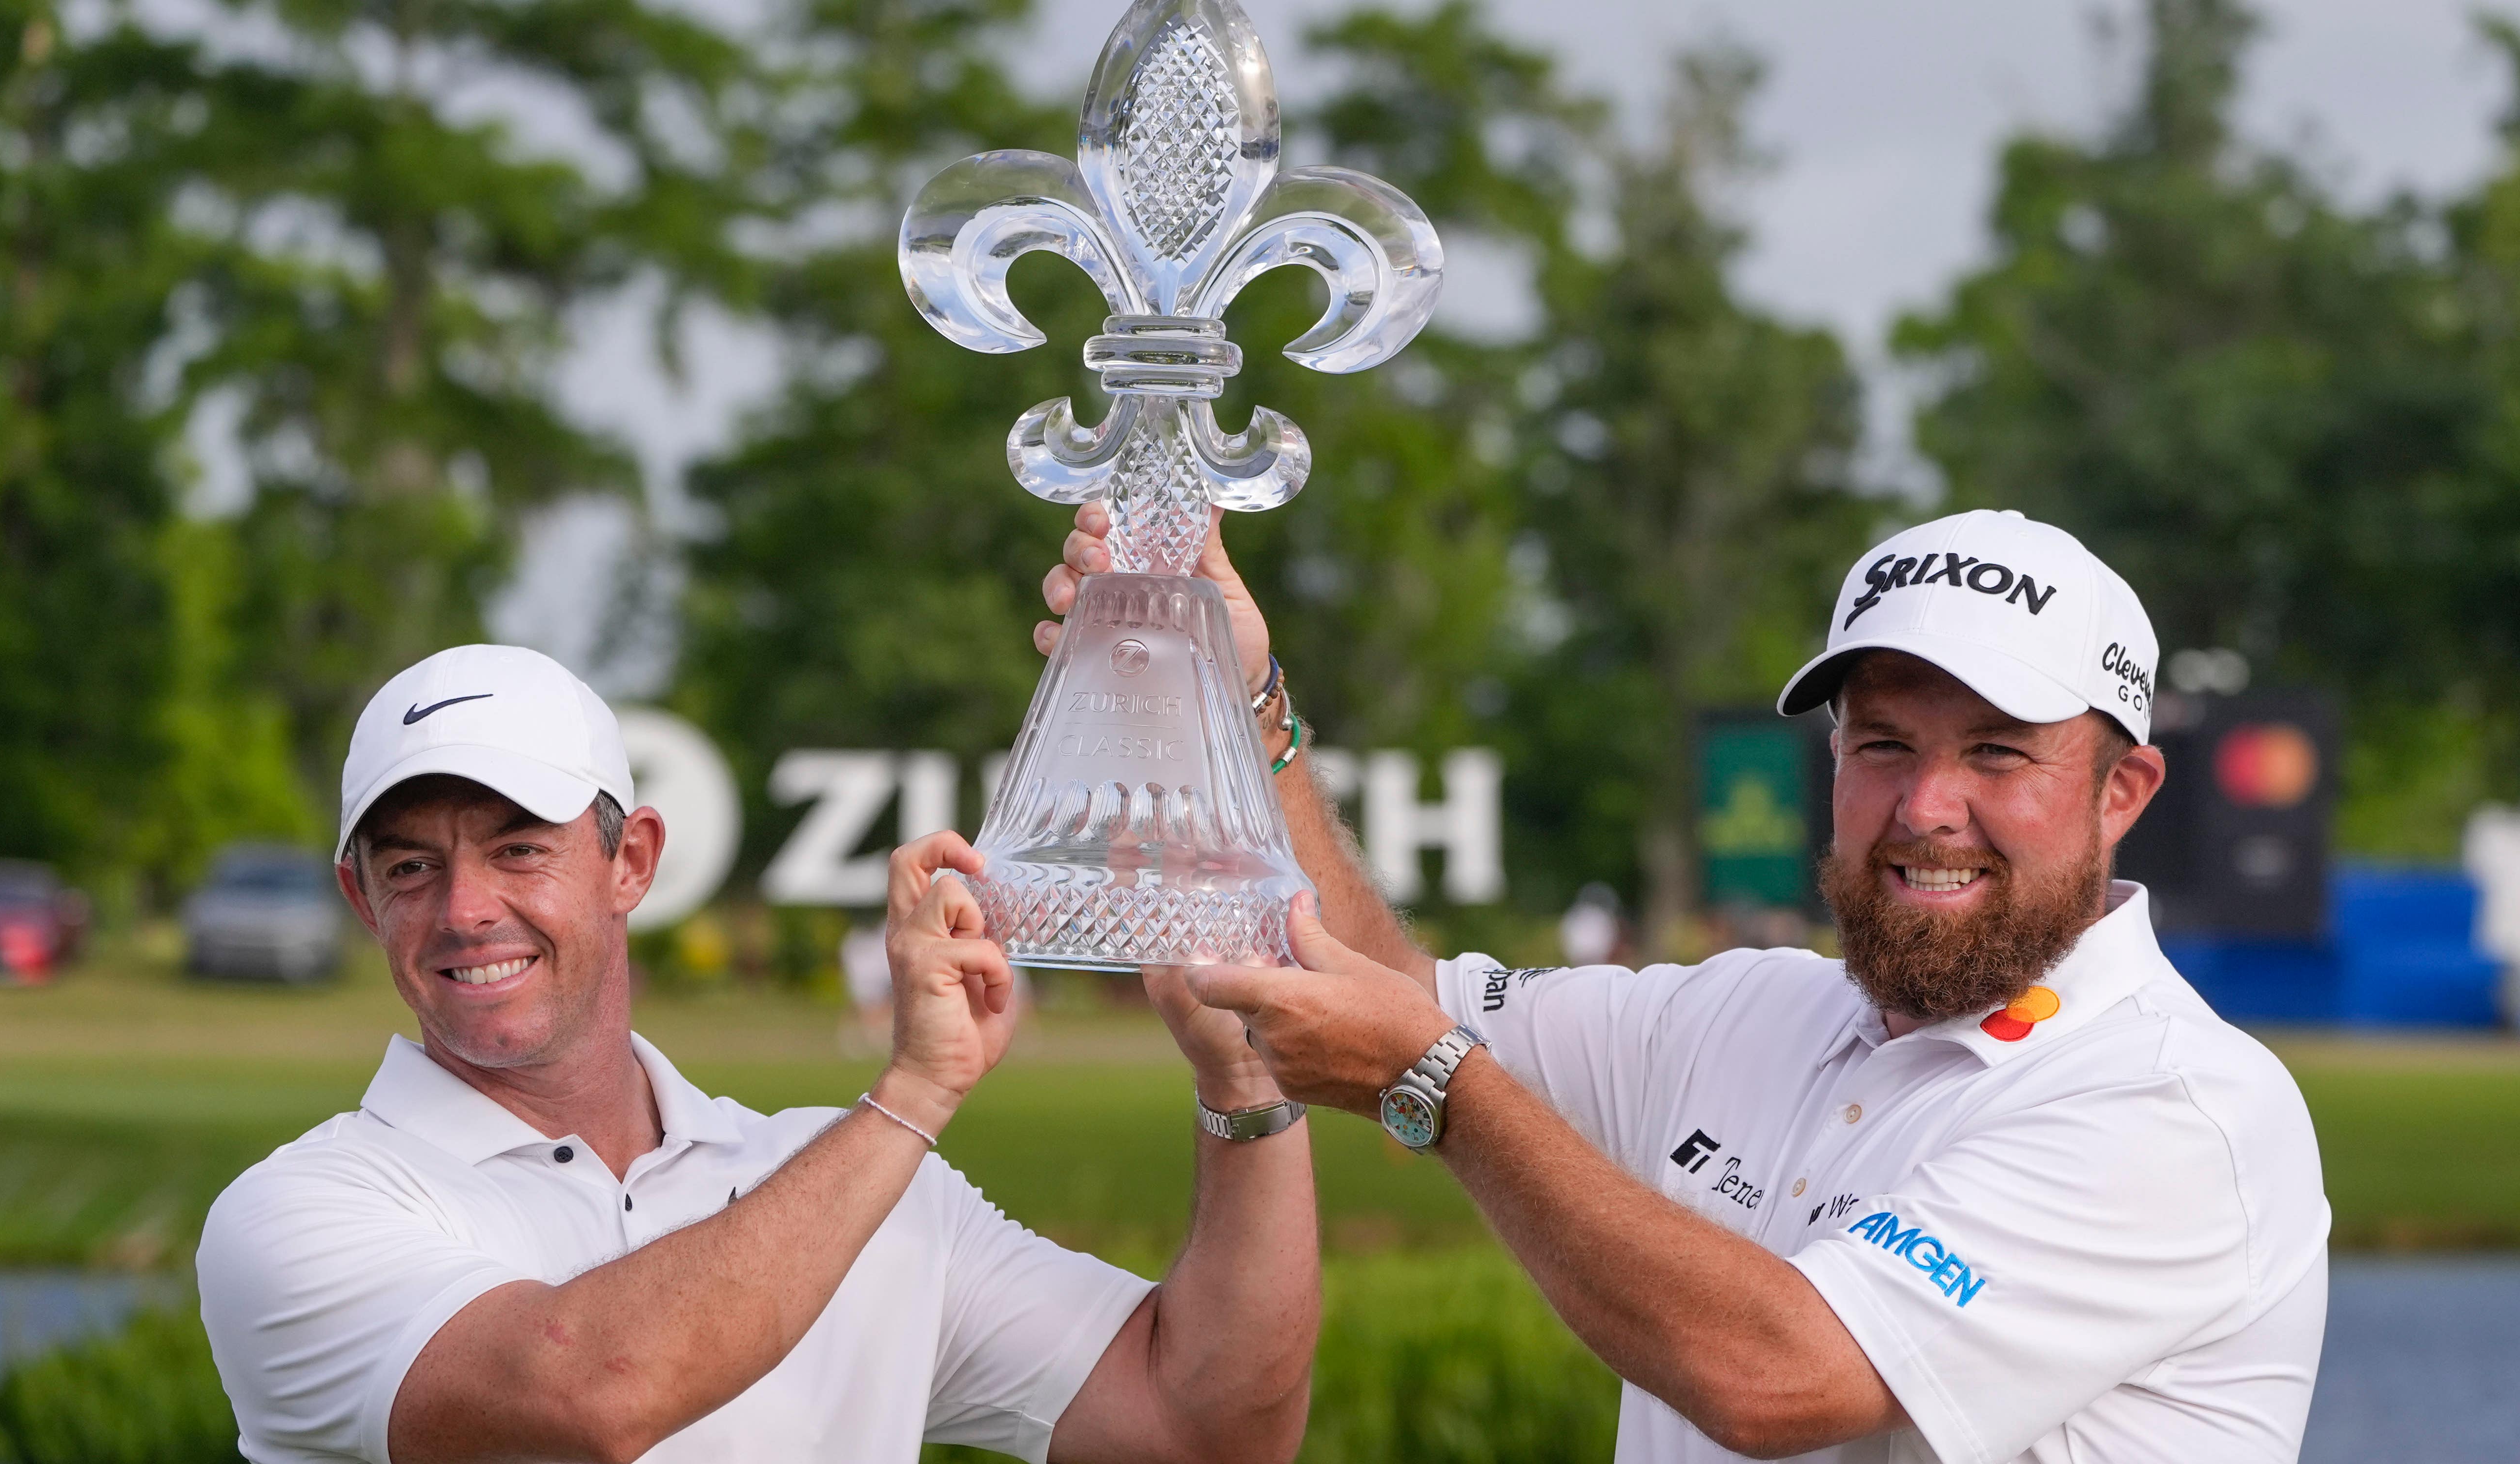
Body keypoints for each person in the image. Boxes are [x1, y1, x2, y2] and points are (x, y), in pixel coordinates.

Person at [1036, 506, 2329, 1463]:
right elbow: (1377, 988)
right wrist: (1244, 704)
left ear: (2125, 795)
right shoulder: (1753, 1011)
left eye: (1998, 754)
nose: (1929, 808)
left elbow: (1779, 1378)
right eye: (1883, 745)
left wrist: (1442, 1085)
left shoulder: (2176, 1110)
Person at [197, 644, 1318, 1464]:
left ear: (630, 861)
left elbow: (1206, 1425)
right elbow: (595, 1394)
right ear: (360, 897)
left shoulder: (863, 1182)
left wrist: (1247, 1088)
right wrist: (913, 1095)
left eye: (519, 850)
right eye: (410, 869)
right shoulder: (298, 1212)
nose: (466, 909)